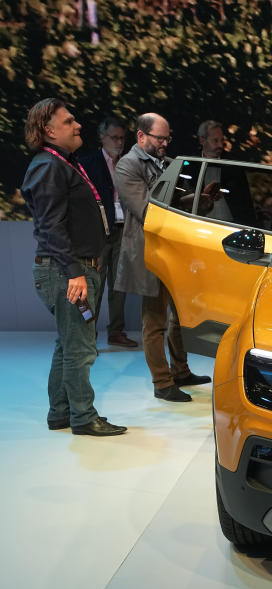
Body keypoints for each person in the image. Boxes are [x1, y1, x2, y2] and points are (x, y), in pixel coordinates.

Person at [21, 98, 126, 436]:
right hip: (68, 272)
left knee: (68, 344)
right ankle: (83, 417)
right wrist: (74, 273)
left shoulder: (63, 164)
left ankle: (60, 413)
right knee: (80, 348)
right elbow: (50, 227)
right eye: (68, 122)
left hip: (73, 269)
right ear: (49, 131)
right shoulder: (48, 166)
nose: (77, 125)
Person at [115, 113, 210, 402]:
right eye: (160, 138)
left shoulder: (166, 164)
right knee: (154, 320)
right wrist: (184, 207)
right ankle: (162, 381)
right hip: (151, 252)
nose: (165, 143)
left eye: (167, 138)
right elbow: (147, 211)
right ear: (141, 136)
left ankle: (180, 371)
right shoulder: (128, 165)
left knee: (179, 316)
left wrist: (200, 201)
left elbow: (170, 204)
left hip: (172, 251)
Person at [79, 116, 138, 348]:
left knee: (119, 284)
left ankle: (116, 332)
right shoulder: (88, 163)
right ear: (102, 137)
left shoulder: (130, 163)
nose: (119, 142)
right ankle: (89, 336)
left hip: (125, 229)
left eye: (122, 138)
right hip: (100, 231)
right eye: (114, 137)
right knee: (96, 284)